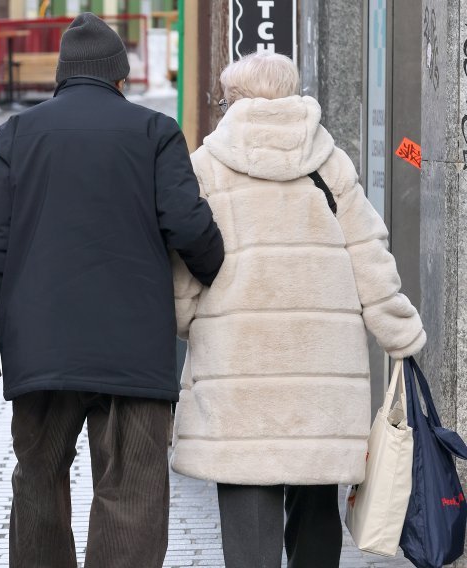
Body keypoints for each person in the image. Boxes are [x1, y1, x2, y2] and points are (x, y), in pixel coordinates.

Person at [0, 12, 224, 568]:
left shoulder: (16, 134)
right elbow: (187, 223)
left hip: (40, 344)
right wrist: (214, 267)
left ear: (61, 75)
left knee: (38, 480)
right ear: (119, 77)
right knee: (131, 490)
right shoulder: (155, 132)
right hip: (132, 348)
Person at [171, 52, 426, 568]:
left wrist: (184, 319)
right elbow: (369, 253)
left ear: (233, 100)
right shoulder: (329, 163)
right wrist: (397, 331)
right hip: (320, 368)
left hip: (236, 364)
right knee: (315, 503)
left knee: (247, 494)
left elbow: (186, 261)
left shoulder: (206, 165)